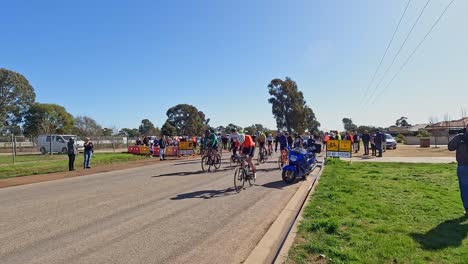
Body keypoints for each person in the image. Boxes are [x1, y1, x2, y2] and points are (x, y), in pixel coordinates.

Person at [448, 126, 468, 215]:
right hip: (463, 167)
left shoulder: (460, 137)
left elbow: (450, 147)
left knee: (464, 189)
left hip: (463, 166)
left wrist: (458, 136)